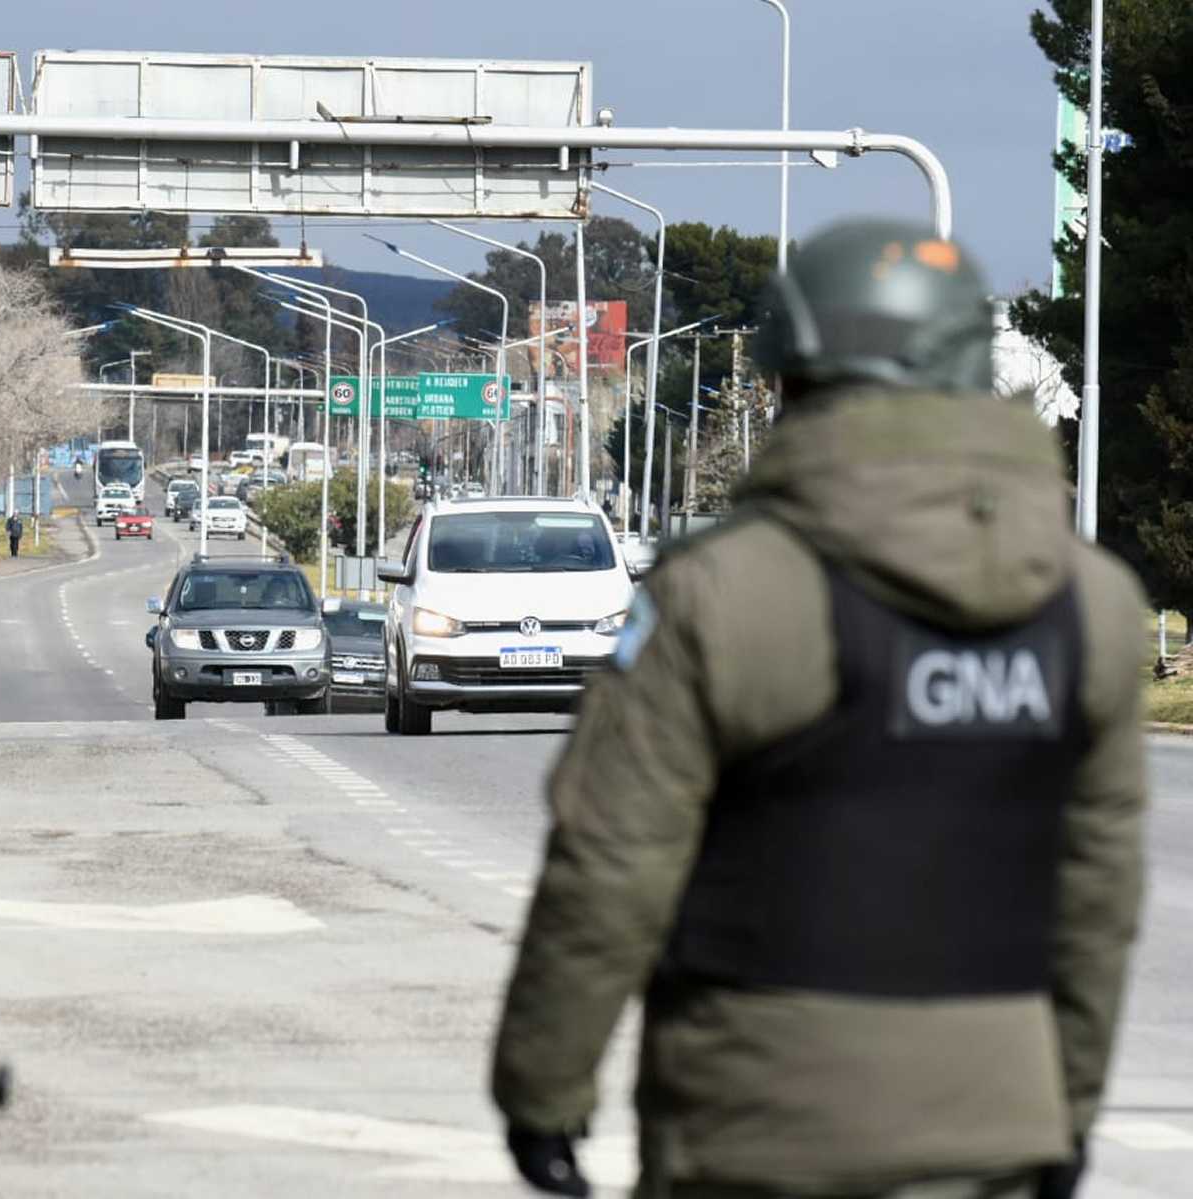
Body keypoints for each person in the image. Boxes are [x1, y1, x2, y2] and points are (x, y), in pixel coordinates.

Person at [491, 219, 1147, 1199]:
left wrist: (542, 1089)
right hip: (998, 1124)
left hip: (759, 1123)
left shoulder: (720, 592)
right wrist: (1067, 1109)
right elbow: (1097, 895)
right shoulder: (1090, 604)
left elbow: (611, 865)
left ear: (792, 378)